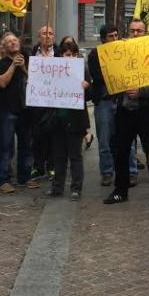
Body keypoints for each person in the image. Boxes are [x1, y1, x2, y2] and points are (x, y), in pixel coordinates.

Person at [104, 17, 149, 207]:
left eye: (139, 31)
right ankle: (120, 191)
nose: (135, 34)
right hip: (124, 110)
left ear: (146, 33)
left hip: (145, 109)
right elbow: (111, 78)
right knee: (121, 152)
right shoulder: (120, 54)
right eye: (132, 30)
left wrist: (141, 91)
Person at [44, 38, 92, 199]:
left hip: (76, 120)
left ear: (76, 55)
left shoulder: (82, 70)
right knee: (59, 156)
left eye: (71, 54)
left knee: (75, 155)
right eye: (65, 54)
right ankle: (57, 187)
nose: (68, 57)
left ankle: (76, 188)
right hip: (58, 120)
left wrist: (86, 87)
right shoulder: (54, 70)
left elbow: (90, 95)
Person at [86, 24, 129, 187]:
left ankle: (130, 171)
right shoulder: (94, 54)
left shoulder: (123, 51)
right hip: (104, 101)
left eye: (116, 35)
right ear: (103, 38)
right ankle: (107, 172)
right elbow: (98, 77)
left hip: (121, 100)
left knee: (126, 139)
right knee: (104, 140)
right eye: (111, 36)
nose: (114, 38)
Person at [0, 32, 34, 193]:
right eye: (8, 42)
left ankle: (25, 177)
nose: (12, 43)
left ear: (20, 43)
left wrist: (23, 67)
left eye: (15, 40)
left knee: (26, 145)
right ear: (3, 47)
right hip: (7, 110)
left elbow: (38, 81)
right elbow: (2, 83)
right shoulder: (0, 64)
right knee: (5, 146)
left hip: (26, 110)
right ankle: (3, 179)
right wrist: (13, 66)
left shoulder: (29, 61)